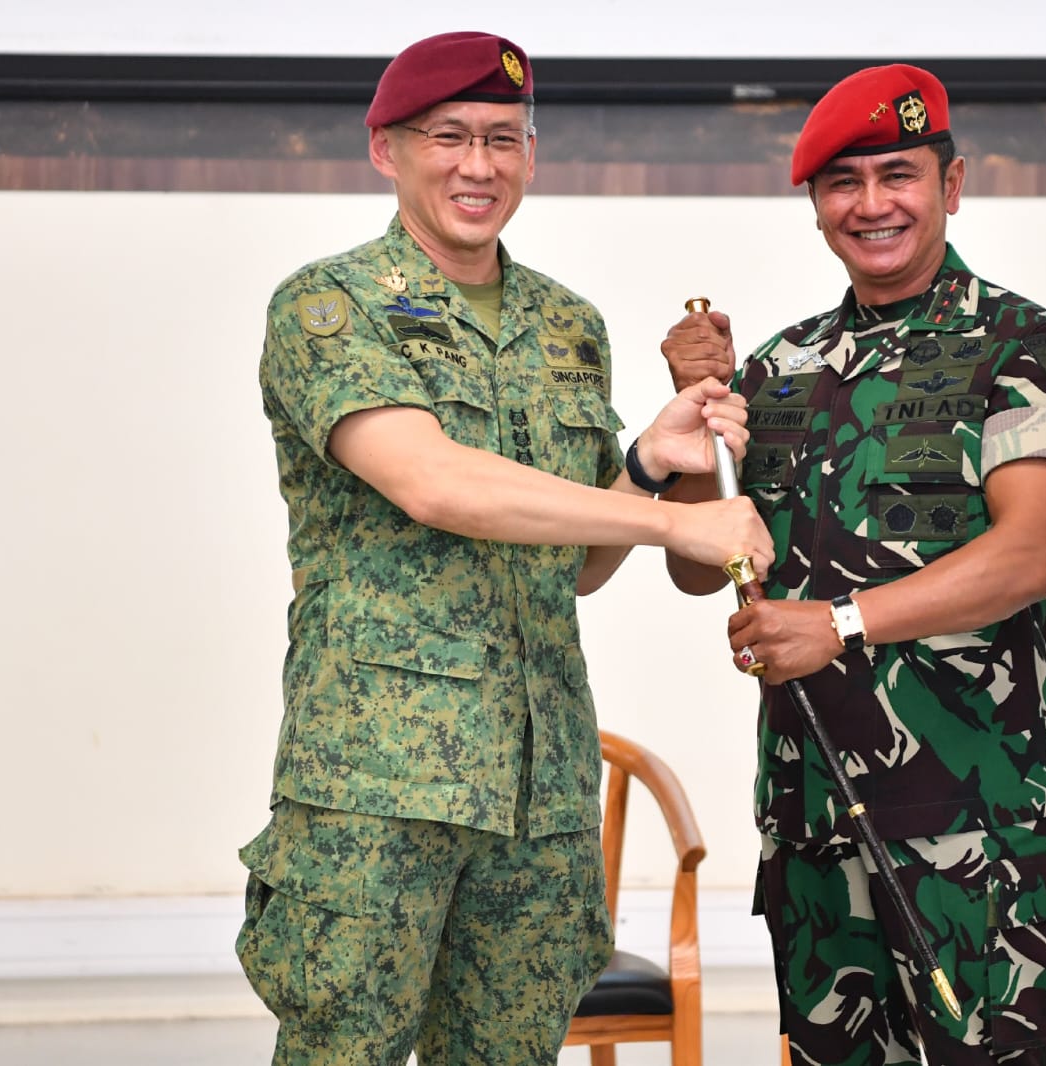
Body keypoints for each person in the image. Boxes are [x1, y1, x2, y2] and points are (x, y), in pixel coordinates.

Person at [234, 30, 773, 1066]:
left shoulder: (566, 325)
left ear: (533, 156)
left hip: (542, 791)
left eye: (501, 139)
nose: (477, 166)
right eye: (448, 137)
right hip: (374, 791)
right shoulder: (329, 308)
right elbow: (434, 482)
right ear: (385, 149)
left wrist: (646, 470)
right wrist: (673, 520)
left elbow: (567, 561)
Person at [661, 63, 1046, 1066]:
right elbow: (705, 565)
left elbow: (1032, 553)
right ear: (816, 205)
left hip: (970, 823)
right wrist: (698, 420)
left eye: (897, 175)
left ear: (950, 185)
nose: (872, 205)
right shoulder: (780, 369)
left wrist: (842, 622)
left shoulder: (1021, 345)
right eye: (843, 184)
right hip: (813, 815)